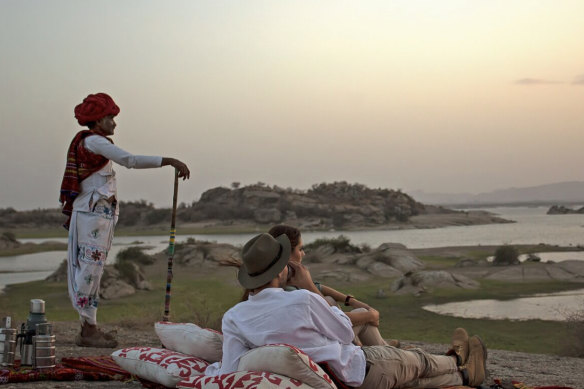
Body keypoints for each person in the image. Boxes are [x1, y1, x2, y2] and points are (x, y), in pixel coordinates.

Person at [206, 233, 487, 388]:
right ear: (282, 269)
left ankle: (463, 376)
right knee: (420, 363)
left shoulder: (234, 316)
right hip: (363, 367)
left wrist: (207, 371)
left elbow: (229, 368)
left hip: (350, 382)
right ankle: (458, 360)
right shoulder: (302, 300)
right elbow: (342, 333)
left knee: (410, 379)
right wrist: (310, 288)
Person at [59, 92, 190, 348]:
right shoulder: (95, 141)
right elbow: (128, 160)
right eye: (110, 117)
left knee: (92, 270)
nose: (114, 123)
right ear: (98, 120)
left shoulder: (94, 142)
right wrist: (168, 161)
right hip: (91, 216)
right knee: (89, 270)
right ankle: (88, 330)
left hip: (97, 216)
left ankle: (90, 327)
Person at [268, 224, 394, 347]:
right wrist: (370, 315)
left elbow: (320, 288)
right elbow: (333, 319)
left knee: (330, 300)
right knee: (361, 315)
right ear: (287, 254)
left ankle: (376, 346)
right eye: (300, 249)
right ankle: (385, 350)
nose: (304, 254)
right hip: (318, 346)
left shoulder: (277, 281)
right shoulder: (291, 291)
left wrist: (350, 300)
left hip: (314, 338)